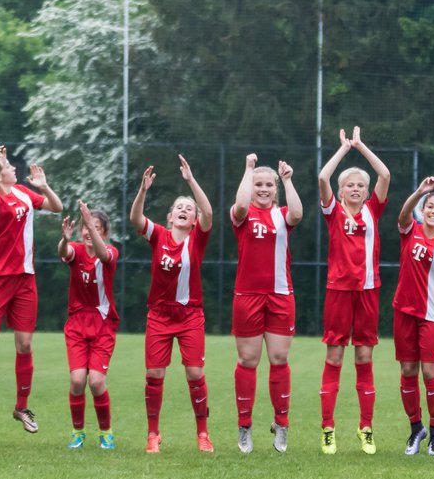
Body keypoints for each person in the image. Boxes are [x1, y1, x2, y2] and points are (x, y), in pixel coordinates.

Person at [0, 146, 62, 434]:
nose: (14, 168)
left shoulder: (22, 192)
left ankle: (21, 407)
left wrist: (44, 186)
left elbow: (56, 207)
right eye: (8, 166)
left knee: (25, 345)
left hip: (25, 280)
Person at [129, 156, 215, 453]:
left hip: (190, 315)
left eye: (188, 209)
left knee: (194, 374)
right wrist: (142, 191)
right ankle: (153, 434)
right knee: (154, 374)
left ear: (194, 220)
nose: (184, 210)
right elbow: (135, 220)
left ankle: (202, 434)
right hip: (159, 316)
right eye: (179, 207)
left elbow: (209, 211)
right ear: (169, 216)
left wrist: (191, 180)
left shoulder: (197, 240)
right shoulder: (159, 236)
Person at [317, 126, 391, 455]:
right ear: (341, 190)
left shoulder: (374, 210)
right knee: (334, 356)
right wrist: (344, 152)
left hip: (368, 291)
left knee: (364, 357)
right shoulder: (333, 211)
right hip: (338, 291)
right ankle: (328, 429)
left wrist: (361, 146)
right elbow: (322, 178)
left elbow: (385, 173)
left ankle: (366, 428)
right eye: (350, 185)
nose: (357, 188)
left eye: (361, 185)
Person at [231, 153, 303, 454]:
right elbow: (241, 205)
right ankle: (245, 426)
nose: (263, 189)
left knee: (278, 359)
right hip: (247, 296)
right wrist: (248, 169)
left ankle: (281, 424)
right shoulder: (242, 214)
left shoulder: (282, 214)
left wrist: (287, 180)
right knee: (248, 361)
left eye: (268, 185)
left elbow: (298, 214)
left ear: (275, 189)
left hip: (280, 296)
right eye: (258, 184)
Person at [391, 176, 434, 457]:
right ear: (423, 208)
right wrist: (419, 191)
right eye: (430, 206)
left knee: (430, 372)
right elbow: (403, 214)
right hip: (404, 311)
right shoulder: (411, 230)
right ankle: (416, 427)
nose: (433, 211)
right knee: (407, 371)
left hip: (432, 315)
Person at [58, 201, 119, 450]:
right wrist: (64, 238)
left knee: (95, 382)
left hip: (103, 324)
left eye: (94, 227)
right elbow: (64, 252)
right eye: (85, 226)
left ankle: (106, 433)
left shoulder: (111, 253)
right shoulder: (75, 250)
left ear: (103, 232)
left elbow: (103, 255)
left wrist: (88, 219)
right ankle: (78, 432)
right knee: (77, 381)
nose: (87, 232)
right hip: (77, 324)